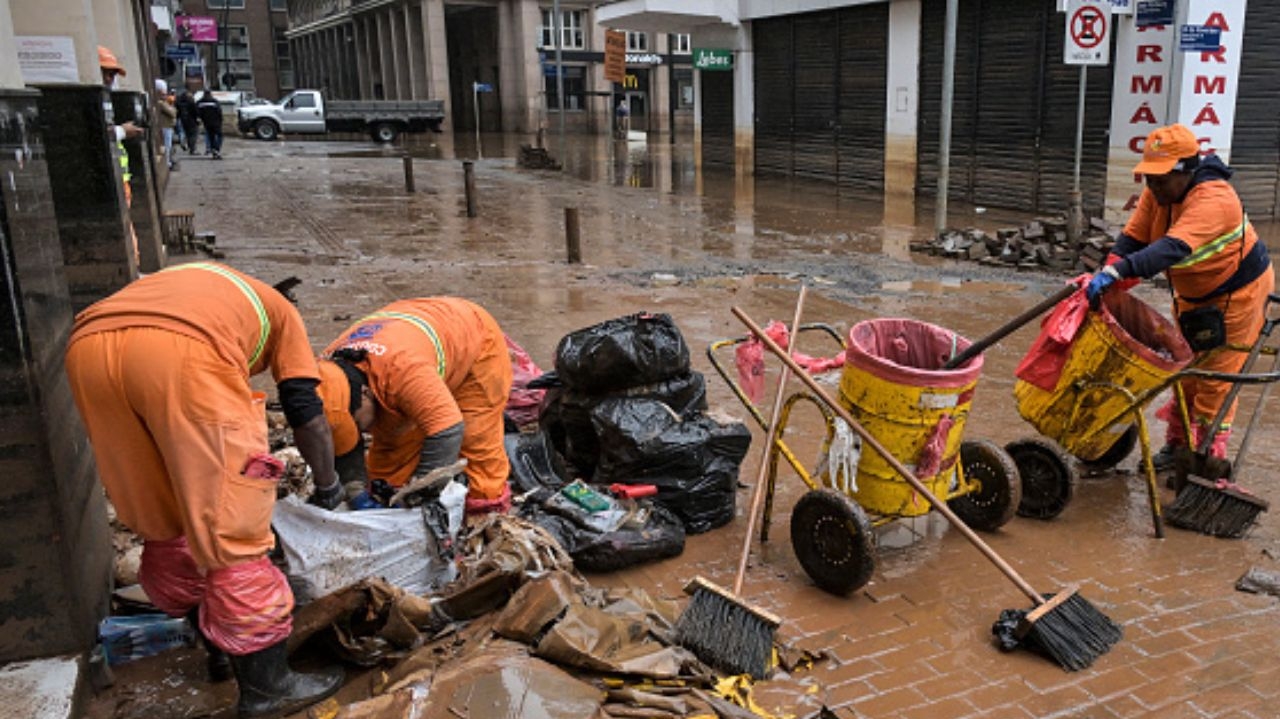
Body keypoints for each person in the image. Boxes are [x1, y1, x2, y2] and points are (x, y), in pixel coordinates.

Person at [64, 263, 345, 718]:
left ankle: (220, 652)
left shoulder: (203, 285)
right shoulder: (282, 314)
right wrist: (329, 486)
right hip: (183, 352)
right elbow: (305, 409)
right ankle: (269, 687)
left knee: (168, 522)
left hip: (87, 348)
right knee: (231, 533)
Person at [1087, 123, 1274, 469]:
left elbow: (1171, 248)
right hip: (1192, 294)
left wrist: (1118, 272)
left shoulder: (1216, 199)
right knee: (1184, 369)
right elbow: (1134, 238)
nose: (1153, 187)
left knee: (1215, 380)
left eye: (1160, 180)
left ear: (1185, 172)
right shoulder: (1157, 193)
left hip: (1237, 295)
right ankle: (1177, 447)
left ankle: (1205, 455)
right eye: (1149, 179)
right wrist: (1109, 269)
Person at [315, 297, 514, 515]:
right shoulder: (322, 376)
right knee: (390, 468)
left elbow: (447, 430)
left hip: (473, 343)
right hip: (410, 345)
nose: (359, 432)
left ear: (365, 393)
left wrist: (422, 491)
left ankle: (486, 514)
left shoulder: (402, 371)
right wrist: (356, 493)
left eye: (356, 423)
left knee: (476, 446)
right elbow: (345, 446)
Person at [155, 79, 178, 170]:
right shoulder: (161, 104)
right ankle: (167, 162)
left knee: (168, 145)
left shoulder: (164, 103)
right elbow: (172, 113)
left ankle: (168, 161)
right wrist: (171, 106)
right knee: (167, 146)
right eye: (163, 94)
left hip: (168, 126)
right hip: (165, 126)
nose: (165, 96)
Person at [196, 89, 223, 159]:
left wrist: (201, 119)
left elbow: (197, 112)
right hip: (216, 122)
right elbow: (219, 111)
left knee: (211, 137)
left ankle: (213, 149)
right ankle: (216, 149)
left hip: (207, 122)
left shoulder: (200, 102)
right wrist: (220, 120)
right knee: (220, 135)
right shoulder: (214, 101)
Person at [177, 88, 200, 155]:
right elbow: (195, 112)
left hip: (183, 120)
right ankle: (192, 149)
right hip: (192, 121)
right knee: (193, 135)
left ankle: (188, 146)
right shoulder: (191, 102)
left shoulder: (179, 103)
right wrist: (197, 118)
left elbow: (178, 112)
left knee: (187, 134)